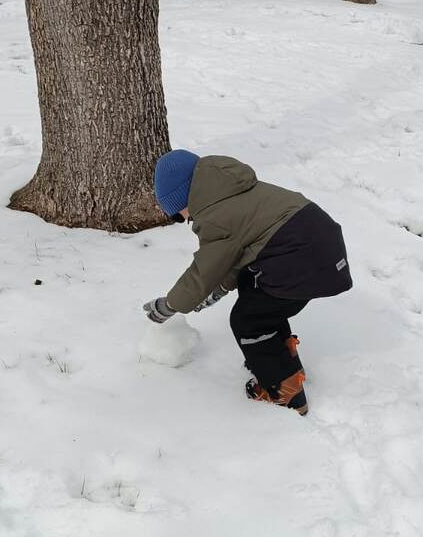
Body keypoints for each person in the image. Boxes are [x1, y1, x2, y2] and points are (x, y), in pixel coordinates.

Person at [143, 150, 351, 415]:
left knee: (248, 321)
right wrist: (219, 288)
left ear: (184, 195)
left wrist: (170, 304)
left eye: (176, 213)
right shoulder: (229, 189)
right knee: (259, 299)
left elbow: (205, 269)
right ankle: (286, 368)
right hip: (318, 249)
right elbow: (240, 251)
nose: (184, 219)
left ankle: (285, 392)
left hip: (302, 258)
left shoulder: (215, 214)